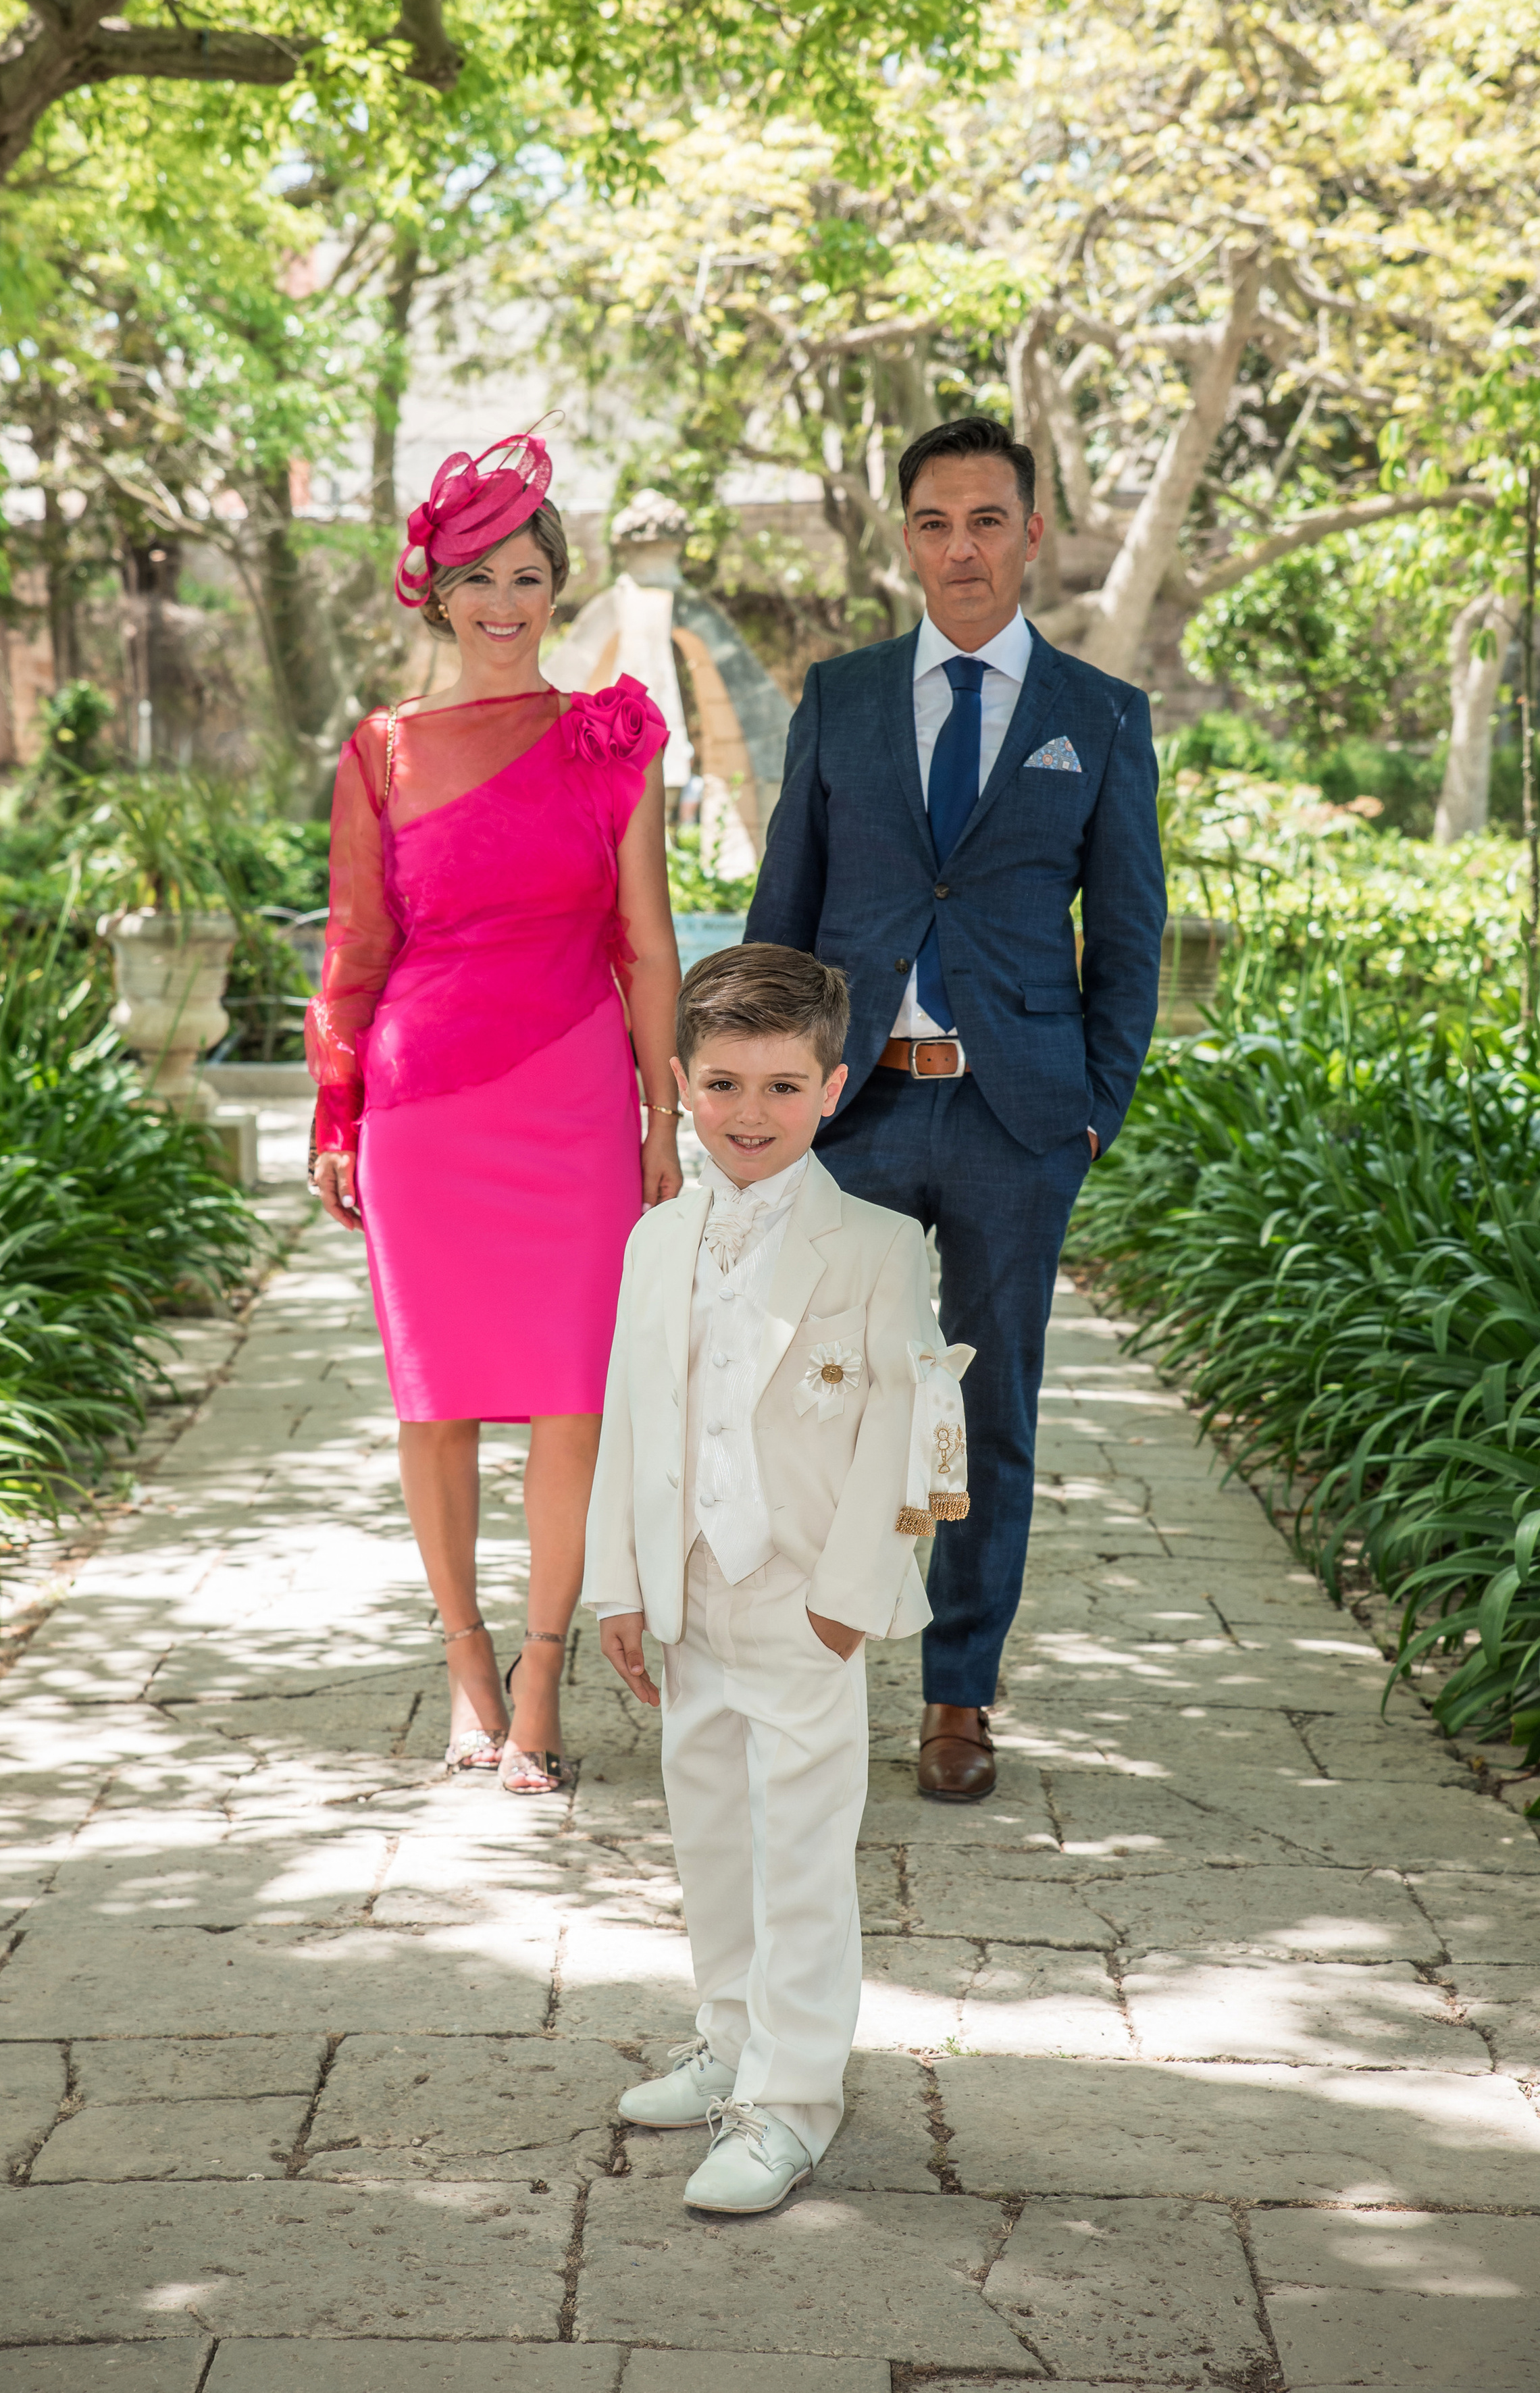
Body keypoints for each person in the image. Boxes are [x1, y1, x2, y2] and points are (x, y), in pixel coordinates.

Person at [744, 413, 1164, 1804]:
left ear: (1031, 535)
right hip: (853, 1114)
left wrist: (1088, 1114)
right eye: (934, 522)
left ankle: (957, 1698)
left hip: (1010, 1121)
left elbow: (1127, 936)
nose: (961, 547)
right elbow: (781, 919)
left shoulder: (1095, 718)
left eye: (987, 520)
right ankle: (797, 1673)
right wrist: (762, 1103)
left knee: (985, 1417)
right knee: (812, 1398)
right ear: (904, 539)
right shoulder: (840, 698)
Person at [306, 430, 684, 1794]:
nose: (507, 601)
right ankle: (466, 1673)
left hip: (576, 1102)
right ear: (436, 593)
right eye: (479, 577)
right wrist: (337, 1114)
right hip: (424, 1108)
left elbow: (647, 941)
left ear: (557, 586)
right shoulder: (382, 752)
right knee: (438, 1404)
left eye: (528, 574)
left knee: (573, 1404)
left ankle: (541, 1679)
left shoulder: (609, 736)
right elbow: (354, 948)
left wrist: (662, 1119)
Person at [583, 944, 967, 2213]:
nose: (751, 1114)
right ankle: (731, 2034)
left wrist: (849, 1597)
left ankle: (795, 2097)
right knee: (707, 1824)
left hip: (809, 1595)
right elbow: (627, 1417)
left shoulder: (878, 1245)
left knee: (799, 1846)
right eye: (724, 1084)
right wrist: (619, 1585)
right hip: (691, 1585)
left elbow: (909, 1436)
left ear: (835, 1086)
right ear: (681, 1082)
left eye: (784, 1086)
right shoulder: (653, 1240)